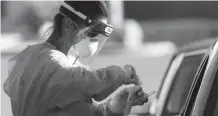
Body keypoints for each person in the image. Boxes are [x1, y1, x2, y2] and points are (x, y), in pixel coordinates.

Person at [3, 1, 148, 116]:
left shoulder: (66, 63)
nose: (94, 41)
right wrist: (122, 73)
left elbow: (82, 109)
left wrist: (114, 106)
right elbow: (88, 82)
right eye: (92, 33)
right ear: (67, 24)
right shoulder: (46, 63)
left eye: (98, 35)